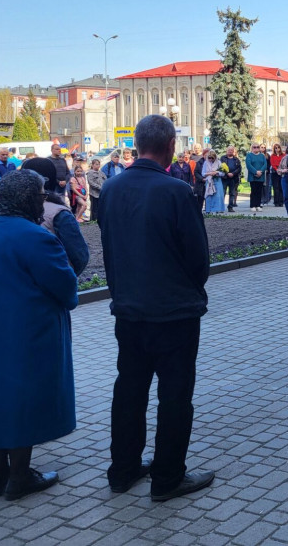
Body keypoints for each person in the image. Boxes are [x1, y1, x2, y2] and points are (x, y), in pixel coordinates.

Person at [98, 115, 213, 501]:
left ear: (137, 144)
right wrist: (191, 290)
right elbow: (198, 257)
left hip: (128, 309)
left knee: (129, 390)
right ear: (170, 146)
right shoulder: (177, 191)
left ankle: (123, 470)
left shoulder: (111, 188)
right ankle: (167, 478)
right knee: (175, 396)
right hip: (174, 312)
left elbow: (109, 246)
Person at [0, 170, 77, 500]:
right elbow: (66, 288)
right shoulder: (35, 236)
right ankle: (20, 477)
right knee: (21, 400)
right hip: (27, 331)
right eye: (40, 195)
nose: (43, 201)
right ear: (28, 198)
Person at [20, 158, 90, 276]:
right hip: (53, 278)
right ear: (51, 179)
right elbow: (79, 256)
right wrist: (66, 278)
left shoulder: (9, 210)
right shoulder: (58, 212)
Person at [245, 142, 268, 212]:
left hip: (261, 176)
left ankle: (258, 205)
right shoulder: (249, 155)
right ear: (252, 148)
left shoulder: (262, 156)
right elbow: (248, 165)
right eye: (254, 147)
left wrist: (261, 171)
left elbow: (265, 164)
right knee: (253, 191)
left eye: (258, 147)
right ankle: (253, 205)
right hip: (253, 176)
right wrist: (255, 172)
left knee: (259, 191)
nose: (256, 148)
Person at [219, 146, 242, 212]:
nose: (230, 151)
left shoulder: (236, 159)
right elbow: (220, 167)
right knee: (223, 193)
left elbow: (239, 168)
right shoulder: (223, 158)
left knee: (232, 193)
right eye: (229, 150)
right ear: (226, 151)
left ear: (233, 151)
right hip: (224, 178)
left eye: (231, 150)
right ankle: (221, 207)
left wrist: (233, 173)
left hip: (233, 178)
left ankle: (230, 207)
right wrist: (227, 173)